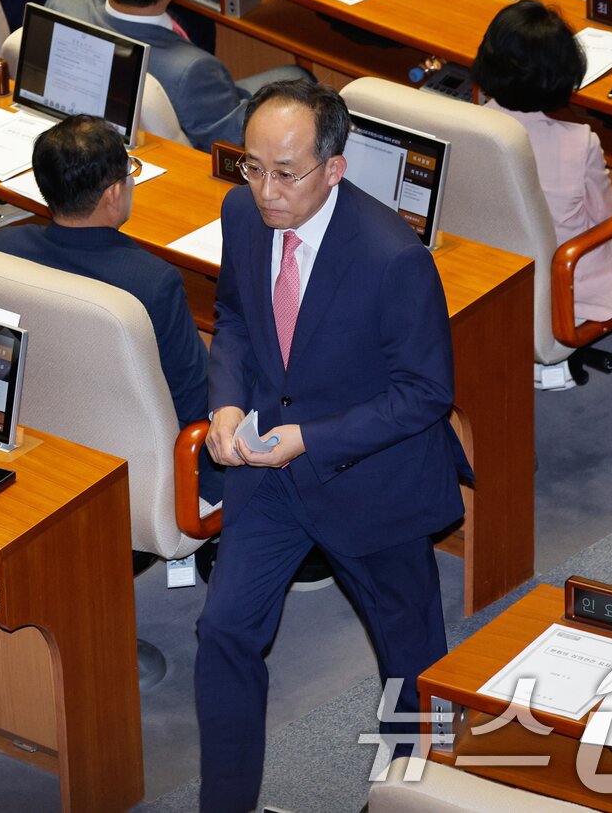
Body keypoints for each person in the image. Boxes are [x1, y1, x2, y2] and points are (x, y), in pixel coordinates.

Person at [194, 80, 469, 813]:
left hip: (371, 478)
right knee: (223, 628)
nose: (265, 189)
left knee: (411, 658)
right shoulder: (241, 213)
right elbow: (236, 318)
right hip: (270, 473)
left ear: (335, 169)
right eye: (252, 167)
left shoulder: (392, 257)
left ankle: (415, 794)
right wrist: (225, 399)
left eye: (285, 173)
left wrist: (310, 439)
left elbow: (425, 393)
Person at [0, 114, 222, 506]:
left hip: (41, 440)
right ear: (114, 193)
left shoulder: (5, 248)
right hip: (142, 470)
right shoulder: (153, 283)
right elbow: (197, 404)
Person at [472, 0, 612, 388]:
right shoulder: (579, 142)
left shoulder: (473, 126)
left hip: (498, 276)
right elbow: (606, 219)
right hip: (564, 284)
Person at [45, 0, 312, 153]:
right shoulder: (193, 71)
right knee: (296, 77)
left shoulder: (61, 5)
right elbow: (235, 140)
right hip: (188, 127)